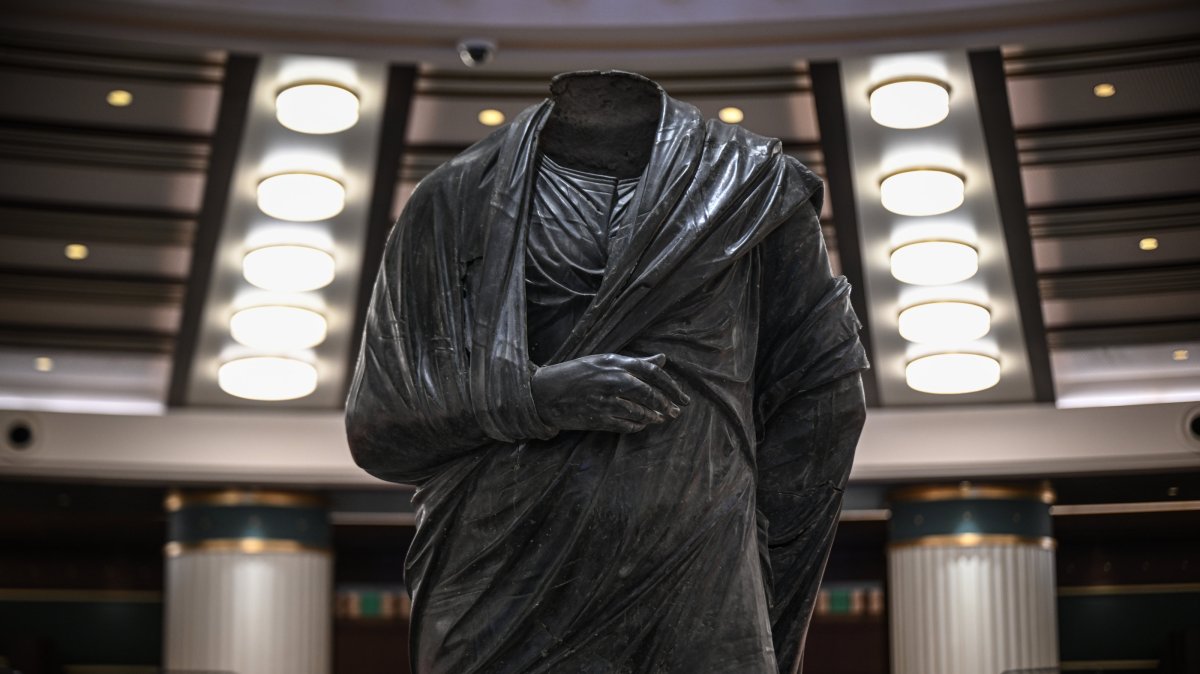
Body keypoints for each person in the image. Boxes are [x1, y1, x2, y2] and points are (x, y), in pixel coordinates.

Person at [345, 70, 868, 674]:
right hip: (504, 568)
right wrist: (537, 399)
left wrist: (758, 548)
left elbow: (824, 399)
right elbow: (378, 427)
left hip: (693, 566)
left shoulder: (751, 189)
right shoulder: (454, 197)